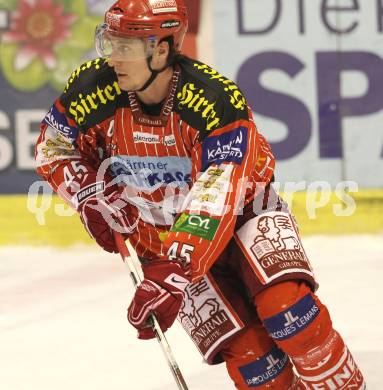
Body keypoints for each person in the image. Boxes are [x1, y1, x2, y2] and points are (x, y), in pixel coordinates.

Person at [35, 1, 366, 388]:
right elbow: (54, 146)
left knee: (290, 314)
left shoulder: (213, 98)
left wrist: (174, 272)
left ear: (161, 49)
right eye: (110, 42)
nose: (113, 58)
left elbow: (218, 193)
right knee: (254, 364)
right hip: (161, 243)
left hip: (243, 216)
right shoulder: (92, 88)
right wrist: (89, 195)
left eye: (126, 46)